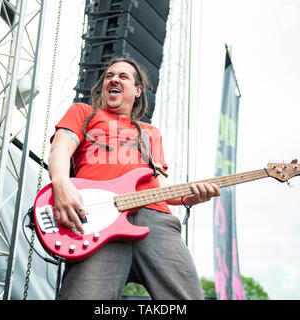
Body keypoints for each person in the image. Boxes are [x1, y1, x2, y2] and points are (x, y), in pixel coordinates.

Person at [48, 57, 221, 300]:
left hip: (154, 219)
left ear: (137, 90)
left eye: (122, 76)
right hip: (97, 219)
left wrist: (189, 197)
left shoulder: (150, 133)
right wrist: (61, 183)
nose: (114, 79)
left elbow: (158, 185)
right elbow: (60, 149)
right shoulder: (83, 112)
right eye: (109, 76)